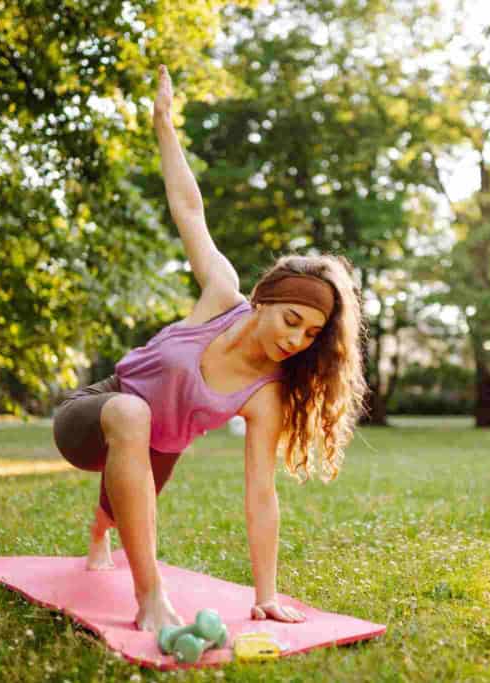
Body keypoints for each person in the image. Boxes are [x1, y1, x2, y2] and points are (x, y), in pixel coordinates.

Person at [51, 65, 367, 633]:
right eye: (292, 320)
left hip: (157, 449)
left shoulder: (266, 395)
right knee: (131, 413)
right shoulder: (222, 296)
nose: (295, 340)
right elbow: (189, 210)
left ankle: (99, 536)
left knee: (118, 509)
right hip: (99, 408)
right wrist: (164, 129)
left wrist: (265, 593)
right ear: (265, 298)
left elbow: (261, 496)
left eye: (311, 335)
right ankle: (150, 598)